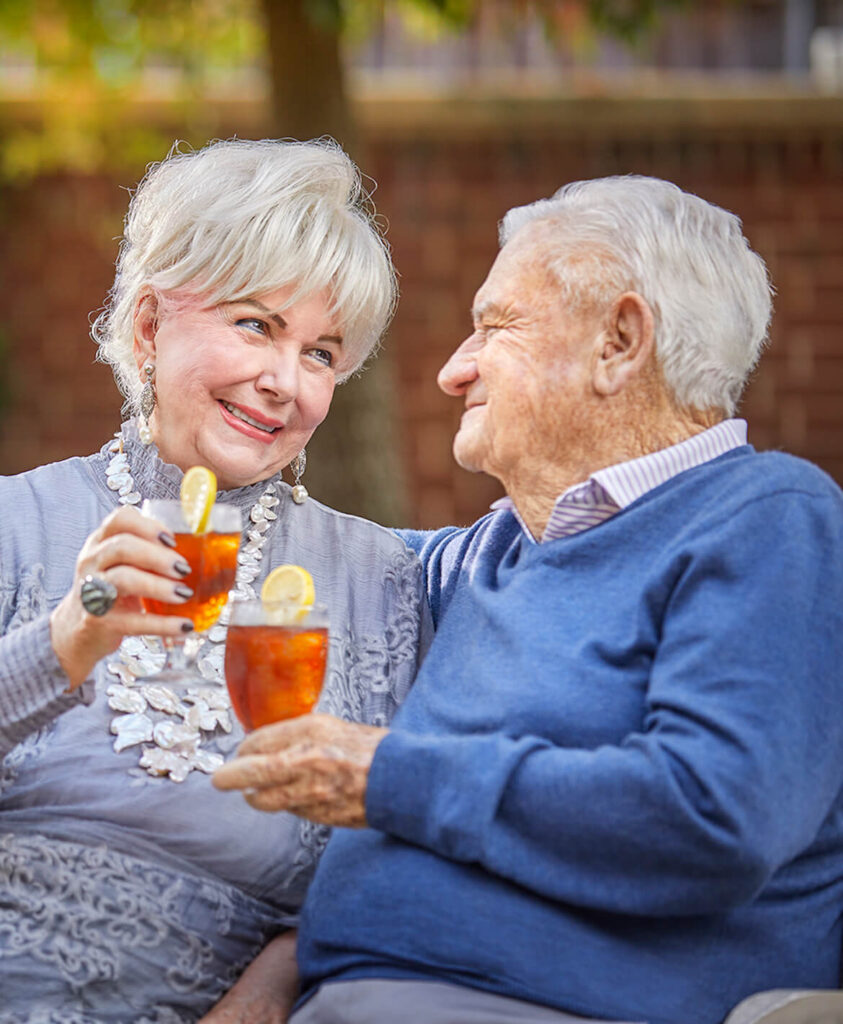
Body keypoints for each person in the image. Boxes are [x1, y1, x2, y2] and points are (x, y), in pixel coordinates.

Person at [214, 175, 843, 1024]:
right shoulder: (480, 558)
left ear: (619, 340)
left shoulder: (766, 519)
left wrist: (386, 775)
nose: (451, 370)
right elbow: (259, 549)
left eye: (494, 325)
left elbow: (710, 815)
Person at [0, 137, 431, 1022]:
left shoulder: (373, 577)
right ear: (150, 327)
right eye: (255, 324)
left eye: (321, 353)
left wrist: (264, 1001)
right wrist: (72, 634)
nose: (284, 383)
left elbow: (375, 853)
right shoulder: (16, 523)